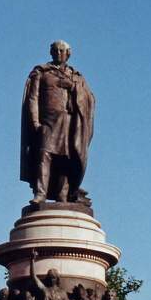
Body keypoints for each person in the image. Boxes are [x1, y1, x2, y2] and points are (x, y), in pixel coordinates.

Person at [21, 40, 95, 205]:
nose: (59, 54)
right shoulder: (42, 73)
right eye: (56, 50)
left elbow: (89, 98)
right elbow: (33, 98)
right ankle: (41, 193)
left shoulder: (75, 76)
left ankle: (63, 195)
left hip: (69, 122)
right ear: (51, 53)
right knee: (44, 155)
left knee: (65, 160)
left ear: (68, 54)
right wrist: (35, 122)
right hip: (47, 122)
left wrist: (74, 87)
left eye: (62, 51)